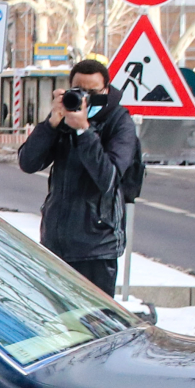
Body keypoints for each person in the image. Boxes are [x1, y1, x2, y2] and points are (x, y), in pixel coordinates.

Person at [16, 56, 140, 298]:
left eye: (93, 92)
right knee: (58, 323)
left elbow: (108, 179)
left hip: (97, 246)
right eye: (79, 91)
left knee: (94, 324)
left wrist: (84, 131)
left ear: (106, 90)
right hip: (56, 240)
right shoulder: (63, 118)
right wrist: (51, 124)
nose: (85, 99)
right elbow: (28, 163)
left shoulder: (119, 122)